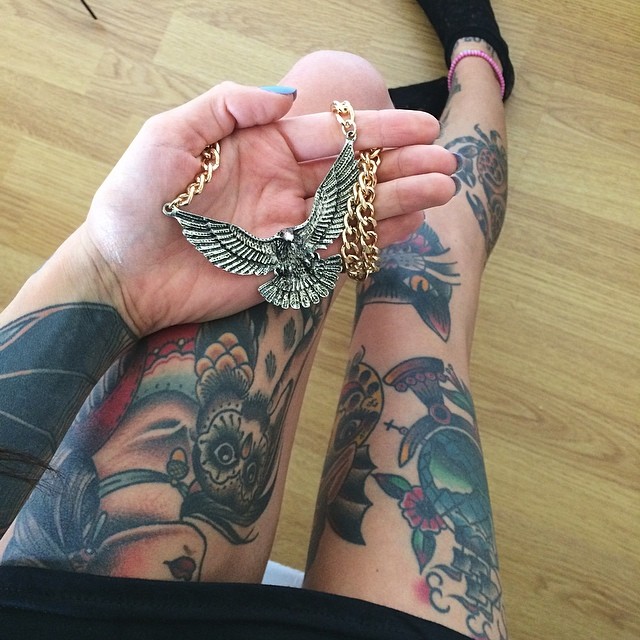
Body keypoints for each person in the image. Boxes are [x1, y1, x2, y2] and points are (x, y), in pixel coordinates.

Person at [0, 0, 513, 637]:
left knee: (337, 85)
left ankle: (413, 121)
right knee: (418, 291)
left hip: (58, 598)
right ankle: (478, 62)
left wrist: (108, 270)